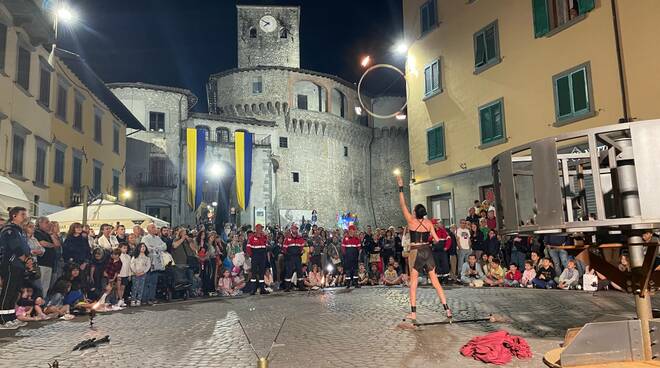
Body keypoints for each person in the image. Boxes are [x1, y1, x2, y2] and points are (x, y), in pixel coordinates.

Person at [396, 174, 452, 323]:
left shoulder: (411, 221)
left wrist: (401, 187)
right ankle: (447, 310)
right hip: (427, 252)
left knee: (413, 283)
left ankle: (413, 313)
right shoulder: (428, 223)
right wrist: (431, 243)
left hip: (415, 252)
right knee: (435, 282)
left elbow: (402, 205)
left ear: (415, 212)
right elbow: (437, 239)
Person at [0, 207, 31, 329]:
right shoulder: (9, 230)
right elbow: (16, 248)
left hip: (19, 265)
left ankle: (11, 316)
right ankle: (2, 319)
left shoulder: (19, 231)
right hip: (10, 264)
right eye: (22, 214)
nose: (25, 217)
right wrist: (26, 260)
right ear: (14, 216)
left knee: (14, 292)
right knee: (8, 291)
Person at [142, 224, 167, 305]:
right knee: (147, 281)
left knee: (154, 281)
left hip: (157, 262)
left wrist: (156, 248)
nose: (154, 229)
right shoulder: (145, 238)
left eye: (155, 227)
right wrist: (157, 248)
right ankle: (145, 298)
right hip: (149, 262)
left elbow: (164, 246)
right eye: (152, 227)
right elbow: (148, 248)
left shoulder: (157, 238)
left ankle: (152, 297)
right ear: (148, 229)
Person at [246, 224, 270, 295]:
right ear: (256, 229)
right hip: (255, 257)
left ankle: (262, 289)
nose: (261, 230)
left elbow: (266, 245)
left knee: (262, 273)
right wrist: (252, 256)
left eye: (261, 228)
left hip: (262, 257)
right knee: (253, 274)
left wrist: (266, 236)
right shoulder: (252, 238)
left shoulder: (263, 237)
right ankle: (253, 289)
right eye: (259, 228)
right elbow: (248, 247)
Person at [282, 224, 305, 292]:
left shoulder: (300, 238)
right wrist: (288, 255)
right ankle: (287, 287)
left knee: (299, 272)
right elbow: (284, 248)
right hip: (290, 258)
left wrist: (301, 252)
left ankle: (301, 286)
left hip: (298, 257)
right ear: (291, 230)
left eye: (296, 229)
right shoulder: (287, 238)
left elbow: (302, 247)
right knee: (289, 272)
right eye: (293, 229)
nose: (294, 230)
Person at [342, 225, 361, 289]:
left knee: (355, 270)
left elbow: (359, 247)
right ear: (349, 231)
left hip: (355, 256)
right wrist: (345, 255)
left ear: (354, 231)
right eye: (350, 230)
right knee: (348, 270)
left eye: (353, 230)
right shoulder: (345, 238)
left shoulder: (357, 239)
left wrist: (358, 256)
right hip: (348, 257)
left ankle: (356, 283)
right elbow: (343, 247)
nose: (351, 231)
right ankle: (348, 284)